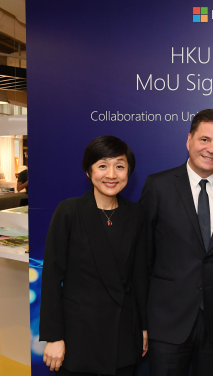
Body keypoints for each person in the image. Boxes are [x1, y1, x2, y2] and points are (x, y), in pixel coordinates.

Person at [139, 109, 213, 376]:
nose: (211, 149)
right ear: (189, 140)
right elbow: (142, 258)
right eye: (204, 140)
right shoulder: (158, 186)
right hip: (167, 322)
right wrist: (141, 321)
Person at [40, 136, 148, 375]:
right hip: (78, 338)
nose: (111, 174)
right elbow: (51, 278)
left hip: (123, 335)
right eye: (102, 166)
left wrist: (142, 328)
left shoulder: (136, 214)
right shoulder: (69, 211)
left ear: (128, 172)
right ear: (89, 172)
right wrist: (53, 336)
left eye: (120, 166)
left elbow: (139, 276)